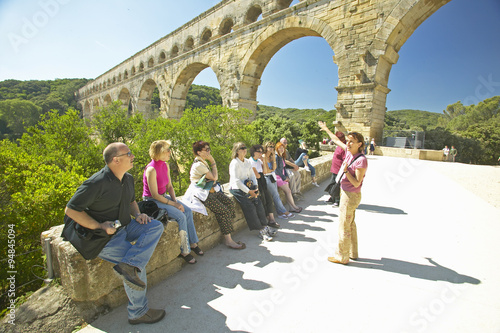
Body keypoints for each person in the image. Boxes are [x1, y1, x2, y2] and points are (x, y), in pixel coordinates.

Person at [65, 142, 165, 325]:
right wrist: (99, 226)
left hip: (125, 227)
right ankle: (138, 312)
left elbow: (131, 201)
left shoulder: (126, 178)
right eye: (129, 154)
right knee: (134, 268)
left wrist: (138, 214)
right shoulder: (96, 183)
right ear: (116, 160)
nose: (133, 156)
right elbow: (71, 210)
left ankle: (129, 265)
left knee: (155, 226)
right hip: (102, 239)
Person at [142, 140, 203, 264]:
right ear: (160, 152)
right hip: (153, 201)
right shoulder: (151, 170)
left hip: (164, 196)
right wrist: (174, 205)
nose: (170, 152)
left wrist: (176, 201)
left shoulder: (165, 165)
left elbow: (169, 186)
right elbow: (154, 194)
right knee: (180, 216)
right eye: (167, 150)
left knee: (187, 210)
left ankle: (193, 243)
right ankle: (184, 250)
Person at [318, 121, 368, 265]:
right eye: (348, 141)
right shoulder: (348, 152)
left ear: (359, 144)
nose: (348, 144)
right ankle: (353, 252)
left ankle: (342, 256)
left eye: (352, 141)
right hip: (346, 193)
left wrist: (346, 171)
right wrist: (326, 128)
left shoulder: (361, 160)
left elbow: (357, 182)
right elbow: (335, 139)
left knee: (344, 227)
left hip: (350, 195)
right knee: (350, 224)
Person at [182, 141, 246, 250]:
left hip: (209, 190)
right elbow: (214, 177)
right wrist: (213, 161)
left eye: (209, 149)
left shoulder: (202, 162)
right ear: (199, 152)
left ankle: (228, 229)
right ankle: (228, 240)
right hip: (201, 193)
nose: (209, 151)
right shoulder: (198, 164)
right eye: (206, 150)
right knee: (223, 211)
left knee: (229, 203)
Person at [229, 142, 274, 241]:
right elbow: (236, 180)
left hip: (248, 187)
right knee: (250, 206)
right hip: (237, 188)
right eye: (242, 148)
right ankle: (260, 230)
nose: (244, 149)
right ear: (236, 151)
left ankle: (265, 226)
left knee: (259, 203)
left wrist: (255, 187)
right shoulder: (234, 163)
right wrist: (249, 191)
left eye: (245, 147)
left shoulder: (246, 161)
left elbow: (252, 175)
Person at [250, 145, 281, 231]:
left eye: (261, 151)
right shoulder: (251, 162)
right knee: (262, 200)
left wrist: (263, 162)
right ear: (254, 152)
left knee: (269, 198)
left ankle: (271, 219)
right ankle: (266, 220)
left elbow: (265, 172)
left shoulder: (259, 161)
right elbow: (257, 176)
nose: (261, 153)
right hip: (256, 182)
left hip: (262, 180)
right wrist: (261, 173)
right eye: (259, 151)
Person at [262, 141, 295, 220]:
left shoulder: (272, 156)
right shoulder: (264, 156)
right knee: (276, 195)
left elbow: (274, 168)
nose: (271, 148)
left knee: (276, 195)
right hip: (266, 178)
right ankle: (284, 211)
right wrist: (271, 169)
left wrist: (273, 157)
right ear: (266, 147)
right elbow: (266, 171)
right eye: (269, 146)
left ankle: (280, 213)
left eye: (273, 147)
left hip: (272, 176)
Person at [275, 141, 303, 213]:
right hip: (278, 177)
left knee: (286, 192)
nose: (282, 149)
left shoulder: (281, 156)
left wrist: (286, 176)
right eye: (280, 148)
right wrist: (284, 178)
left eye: (282, 148)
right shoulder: (276, 157)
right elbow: (276, 170)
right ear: (277, 149)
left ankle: (291, 207)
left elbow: (284, 168)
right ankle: (294, 206)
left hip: (283, 176)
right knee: (288, 191)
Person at [325, 131, 347, 206]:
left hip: (339, 170)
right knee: (332, 184)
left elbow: (345, 159)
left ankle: (337, 200)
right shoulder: (339, 145)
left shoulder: (344, 146)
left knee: (337, 185)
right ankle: (332, 198)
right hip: (335, 169)